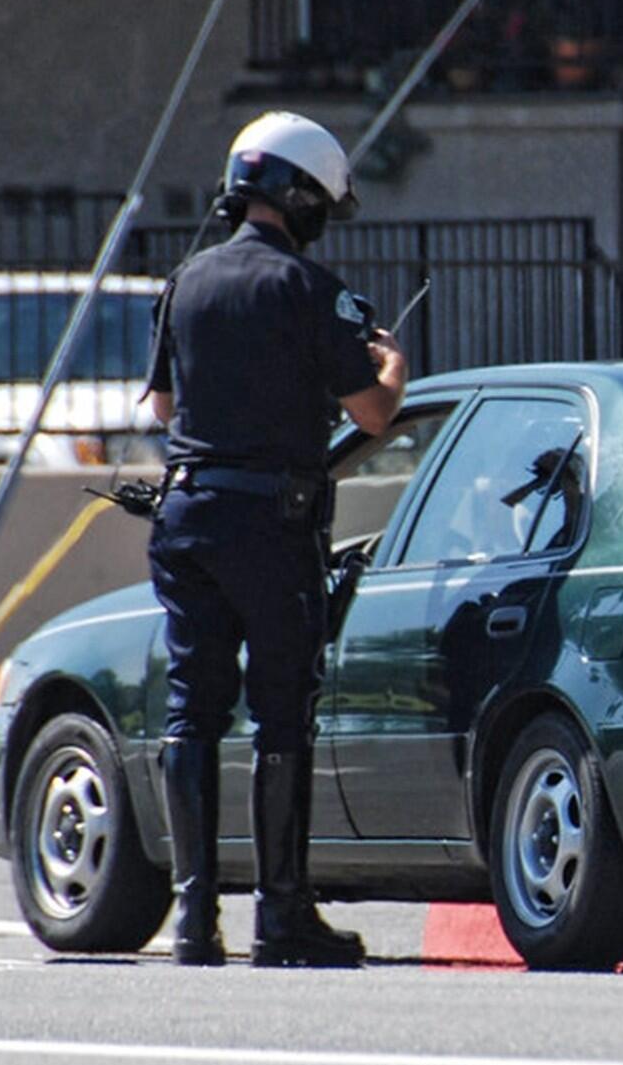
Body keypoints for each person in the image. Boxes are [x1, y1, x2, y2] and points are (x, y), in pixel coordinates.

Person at [143, 111, 407, 967]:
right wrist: (390, 367)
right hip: (270, 523)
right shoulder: (308, 288)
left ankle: (192, 922)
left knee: (193, 710)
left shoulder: (185, 282)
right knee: (281, 716)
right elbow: (372, 412)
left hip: (186, 516)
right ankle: (282, 915)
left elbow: (164, 410)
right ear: (299, 196)